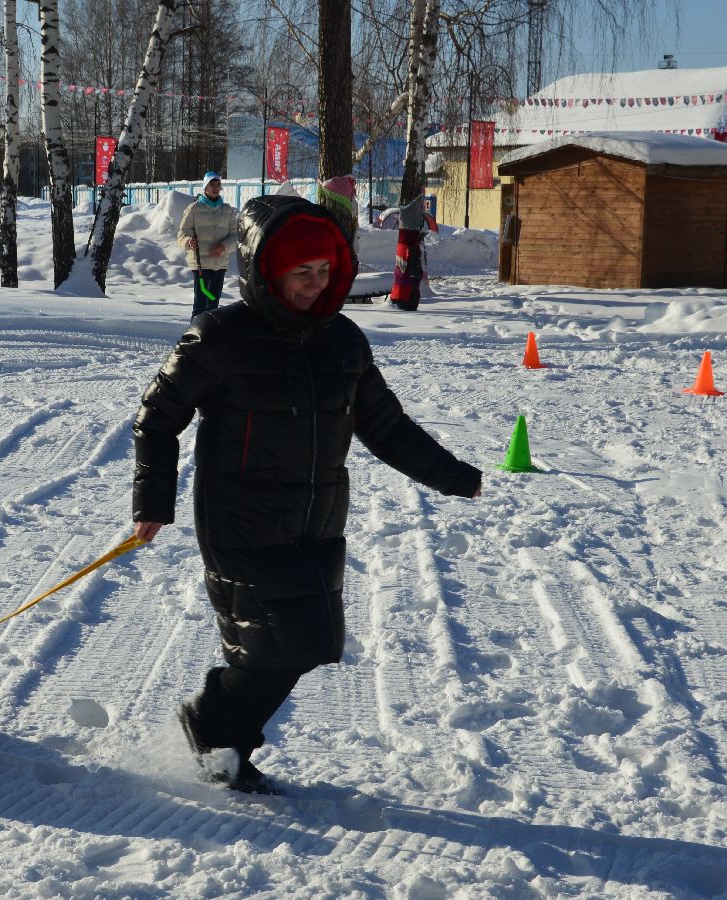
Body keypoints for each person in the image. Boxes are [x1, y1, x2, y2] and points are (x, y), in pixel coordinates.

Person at [132, 195, 482, 793]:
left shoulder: (343, 341)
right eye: (302, 272)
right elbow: (157, 418)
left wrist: (454, 476)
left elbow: (386, 427)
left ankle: (220, 734)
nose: (316, 285)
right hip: (240, 518)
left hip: (317, 517)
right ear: (267, 270)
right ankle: (216, 732)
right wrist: (153, 503)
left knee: (310, 641)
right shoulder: (219, 335)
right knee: (271, 642)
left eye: (324, 271)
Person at [177, 170, 237, 319]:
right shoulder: (194, 209)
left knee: (213, 304)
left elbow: (236, 236)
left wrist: (224, 247)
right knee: (201, 304)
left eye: (218, 184)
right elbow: (182, 234)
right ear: (205, 186)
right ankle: (195, 331)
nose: (215, 188)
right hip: (201, 264)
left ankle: (209, 332)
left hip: (220, 263)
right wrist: (188, 242)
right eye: (212, 184)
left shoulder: (227, 210)